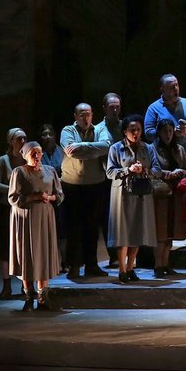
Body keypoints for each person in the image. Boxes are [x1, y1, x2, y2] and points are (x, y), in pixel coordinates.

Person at [7, 139, 63, 312]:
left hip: (45, 217)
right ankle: (28, 296)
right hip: (26, 218)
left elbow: (59, 194)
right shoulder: (19, 172)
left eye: (39, 153)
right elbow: (13, 198)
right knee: (27, 255)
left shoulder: (50, 170)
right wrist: (34, 196)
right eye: (33, 153)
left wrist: (49, 197)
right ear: (26, 156)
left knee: (43, 254)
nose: (37, 156)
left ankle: (43, 297)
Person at [57, 103, 108, 280]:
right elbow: (71, 151)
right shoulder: (67, 130)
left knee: (92, 227)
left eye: (88, 114)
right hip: (72, 185)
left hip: (95, 184)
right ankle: (74, 266)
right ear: (75, 116)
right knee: (74, 227)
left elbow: (106, 146)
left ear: (92, 115)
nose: (85, 118)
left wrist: (83, 145)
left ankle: (92, 265)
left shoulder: (100, 129)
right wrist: (93, 150)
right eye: (82, 115)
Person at [106, 115, 156, 282]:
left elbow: (157, 169)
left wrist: (144, 170)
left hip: (142, 193)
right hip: (123, 194)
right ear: (124, 131)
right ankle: (122, 270)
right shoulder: (116, 148)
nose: (136, 133)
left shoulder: (148, 148)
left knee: (137, 231)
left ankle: (130, 268)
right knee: (123, 233)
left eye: (138, 130)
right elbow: (110, 172)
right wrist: (128, 170)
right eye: (132, 130)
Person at [149, 118, 186, 277]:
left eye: (170, 131)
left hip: (176, 194)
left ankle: (166, 264)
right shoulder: (152, 149)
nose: (168, 134)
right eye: (164, 131)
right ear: (159, 132)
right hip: (160, 194)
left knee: (171, 232)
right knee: (160, 232)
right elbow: (152, 170)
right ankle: (158, 265)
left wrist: (181, 172)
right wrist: (168, 174)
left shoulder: (179, 149)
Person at [0, 128, 28, 300]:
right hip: (7, 208)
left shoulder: (28, 158)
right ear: (11, 141)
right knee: (6, 246)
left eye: (24, 138)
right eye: (19, 139)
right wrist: (14, 190)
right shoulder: (4, 160)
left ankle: (25, 284)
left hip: (24, 208)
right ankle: (6, 286)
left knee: (24, 246)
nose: (23, 141)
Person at [144, 73, 186, 144]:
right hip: (165, 150)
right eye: (171, 87)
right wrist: (170, 132)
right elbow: (148, 133)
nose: (175, 89)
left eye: (176, 85)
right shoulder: (153, 108)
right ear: (163, 89)